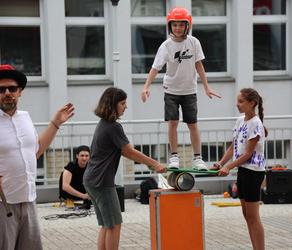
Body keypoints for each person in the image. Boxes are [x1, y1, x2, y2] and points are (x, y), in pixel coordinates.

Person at [0, 64, 74, 250]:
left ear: (20, 92)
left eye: (12, 88)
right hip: (3, 203)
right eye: (1, 89)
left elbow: (36, 150)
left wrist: (55, 123)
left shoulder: (25, 117)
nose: (7, 92)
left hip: (28, 199)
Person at [83, 87, 166, 250]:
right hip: (101, 182)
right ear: (112, 105)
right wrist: (155, 164)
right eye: (122, 103)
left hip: (92, 180)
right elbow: (128, 151)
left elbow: (125, 152)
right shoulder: (113, 127)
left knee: (107, 225)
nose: (125, 107)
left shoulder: (104, 124)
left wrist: (150, 164)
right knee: (114, 224)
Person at [141, 7, 221, 170]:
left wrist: (206, 87)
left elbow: (199, 65)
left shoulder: (193, 42)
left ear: (187, 26)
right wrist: (146, 87)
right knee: (173, 123)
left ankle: (198, 159)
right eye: (174, 25)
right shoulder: (166, 46)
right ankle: (174, 157)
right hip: (171, 90)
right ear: (170, 26)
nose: (177, 28)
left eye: (181, 25)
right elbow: (155, 68)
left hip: (190, 90)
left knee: (193, 124)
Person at [211, 88, 267, 250]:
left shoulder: (256, 124)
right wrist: (221, 163)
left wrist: (229, 166)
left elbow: (248, 154)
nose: (237, 104)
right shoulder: (240, 120)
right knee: (247, 215)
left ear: (252, 103)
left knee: (253, 217)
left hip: (253, 171)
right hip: (243, 170)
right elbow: (233, 147)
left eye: (241, 101)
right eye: (237, 101)